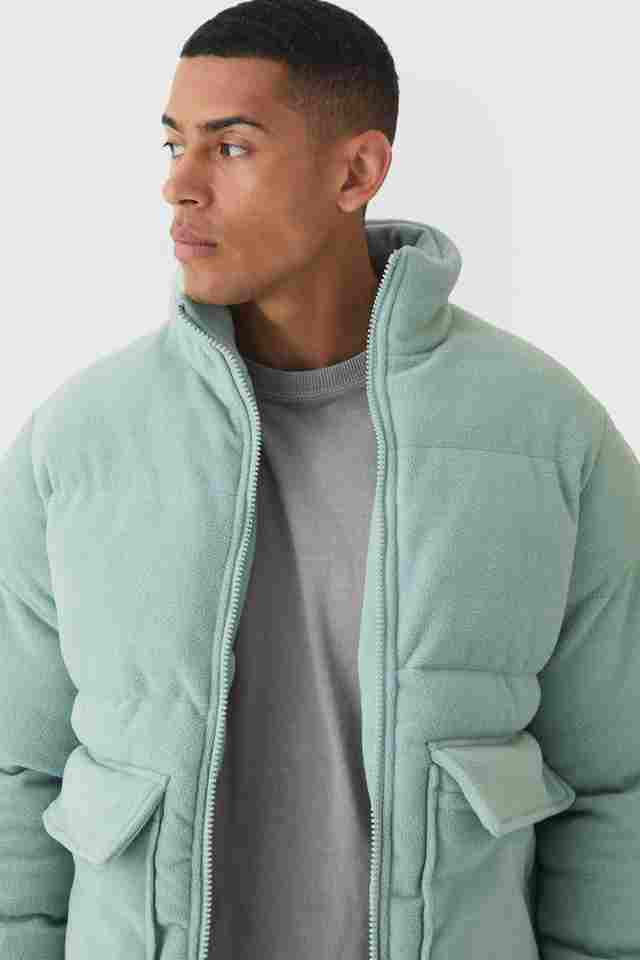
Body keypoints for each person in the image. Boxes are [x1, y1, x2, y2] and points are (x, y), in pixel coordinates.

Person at [1, 2, 638, 959]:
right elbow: (17, 778)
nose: (178, 184)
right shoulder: (79, 439)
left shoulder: (544, 431)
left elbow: (619, 785)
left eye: (231, 147)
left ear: (357, 172)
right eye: (173, 143)